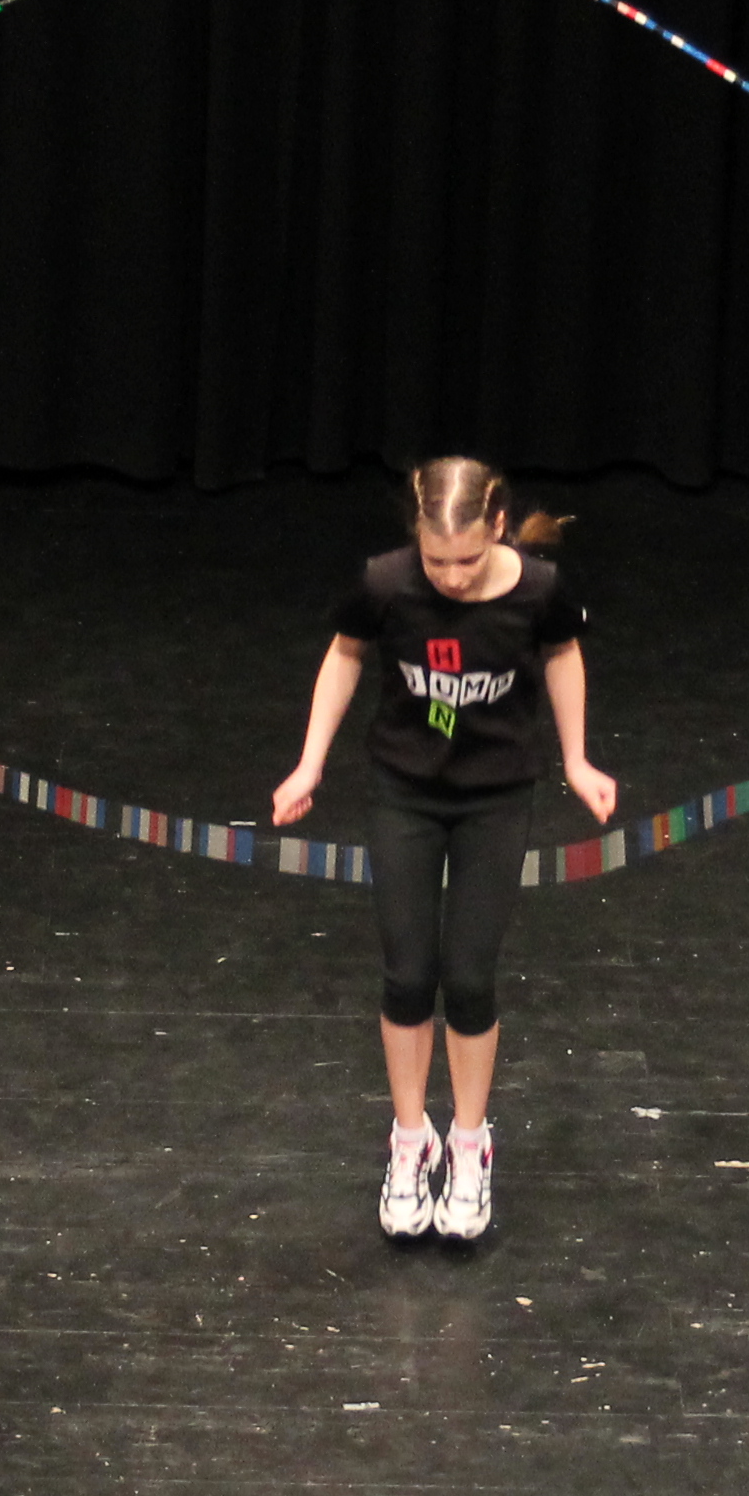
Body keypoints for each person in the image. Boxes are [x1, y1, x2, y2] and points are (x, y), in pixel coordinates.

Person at [269, 458, 619, 1247]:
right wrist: (310, 763)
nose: (453, 577)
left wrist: (578, 759)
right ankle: (410, 1140)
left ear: (497, 528)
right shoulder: (385, 583)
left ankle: (468, 1143)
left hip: (496, 797)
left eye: (467, 560)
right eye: (437, 561)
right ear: (415, 540)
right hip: (405, 792)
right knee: (407, 974)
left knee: (467, 979)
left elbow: (563, 655)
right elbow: (345, 656)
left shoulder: (539, 589)